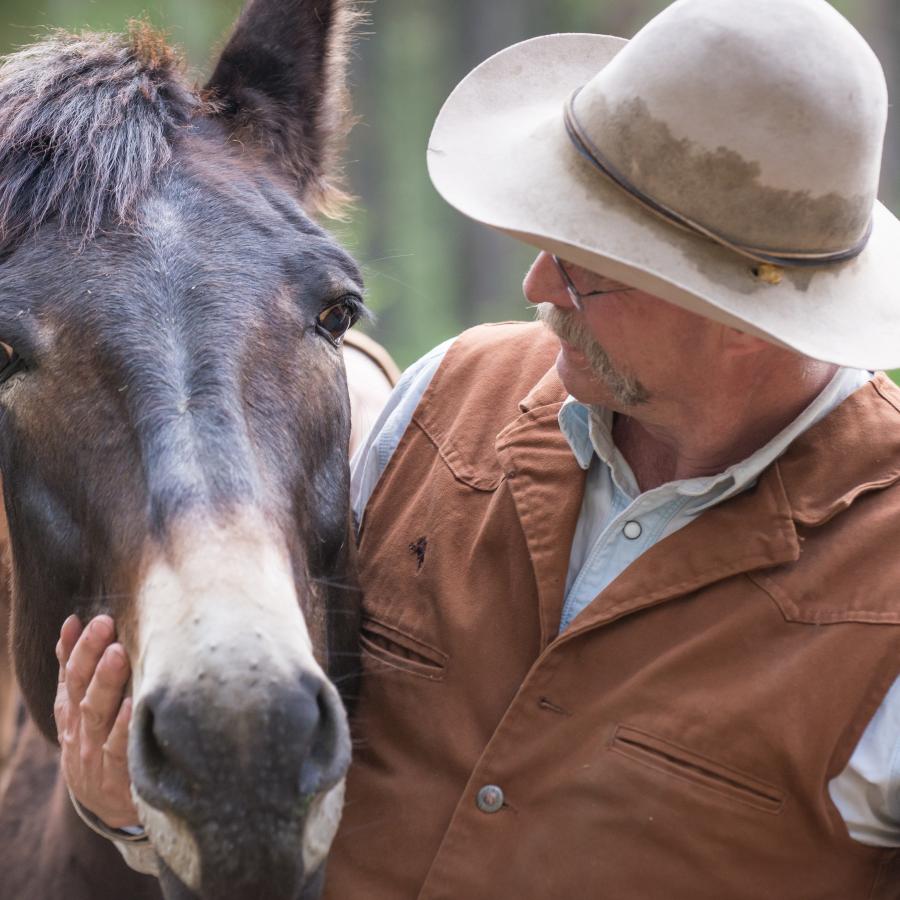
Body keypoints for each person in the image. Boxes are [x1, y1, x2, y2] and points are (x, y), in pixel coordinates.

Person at [57, 0, 900, 896]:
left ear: (747, 323)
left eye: (591, 271)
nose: (538, 285)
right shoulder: (438, 399)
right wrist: (133, 812)